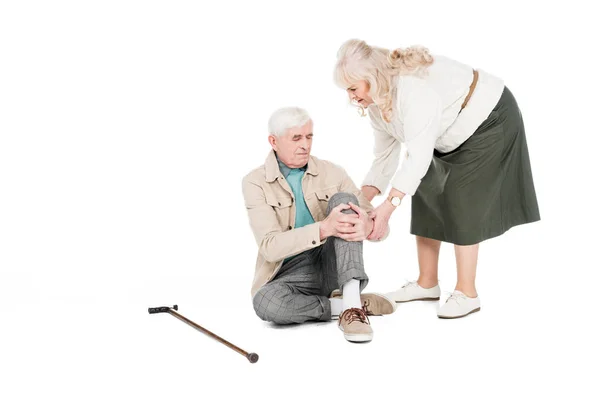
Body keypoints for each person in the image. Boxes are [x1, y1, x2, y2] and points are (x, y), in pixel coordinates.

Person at [333, 39, 540, 319]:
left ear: (370, 79)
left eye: (353, 89)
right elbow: (384, 158)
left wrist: (386, 212)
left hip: (488, 118)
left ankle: (467, 293)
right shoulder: (375, 103)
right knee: (426, 192)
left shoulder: (411, 90)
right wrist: (361, 202)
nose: (351, 98)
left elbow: (417, 158)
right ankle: (426, 283)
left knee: (460, 198)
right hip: (446, 131)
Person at [242, 106, 396, 342]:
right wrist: (325, 228)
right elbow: (269, 247)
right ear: (273, 141)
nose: (305, 145)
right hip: (290, 272)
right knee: (264, 303)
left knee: (344, 201)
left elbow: (376, 224)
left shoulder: (332, 172)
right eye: (296, 138)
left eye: (309, 136)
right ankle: (345, 305)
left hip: (334, 261)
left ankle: (353, 307)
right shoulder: (255, 182)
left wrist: (368, 226)